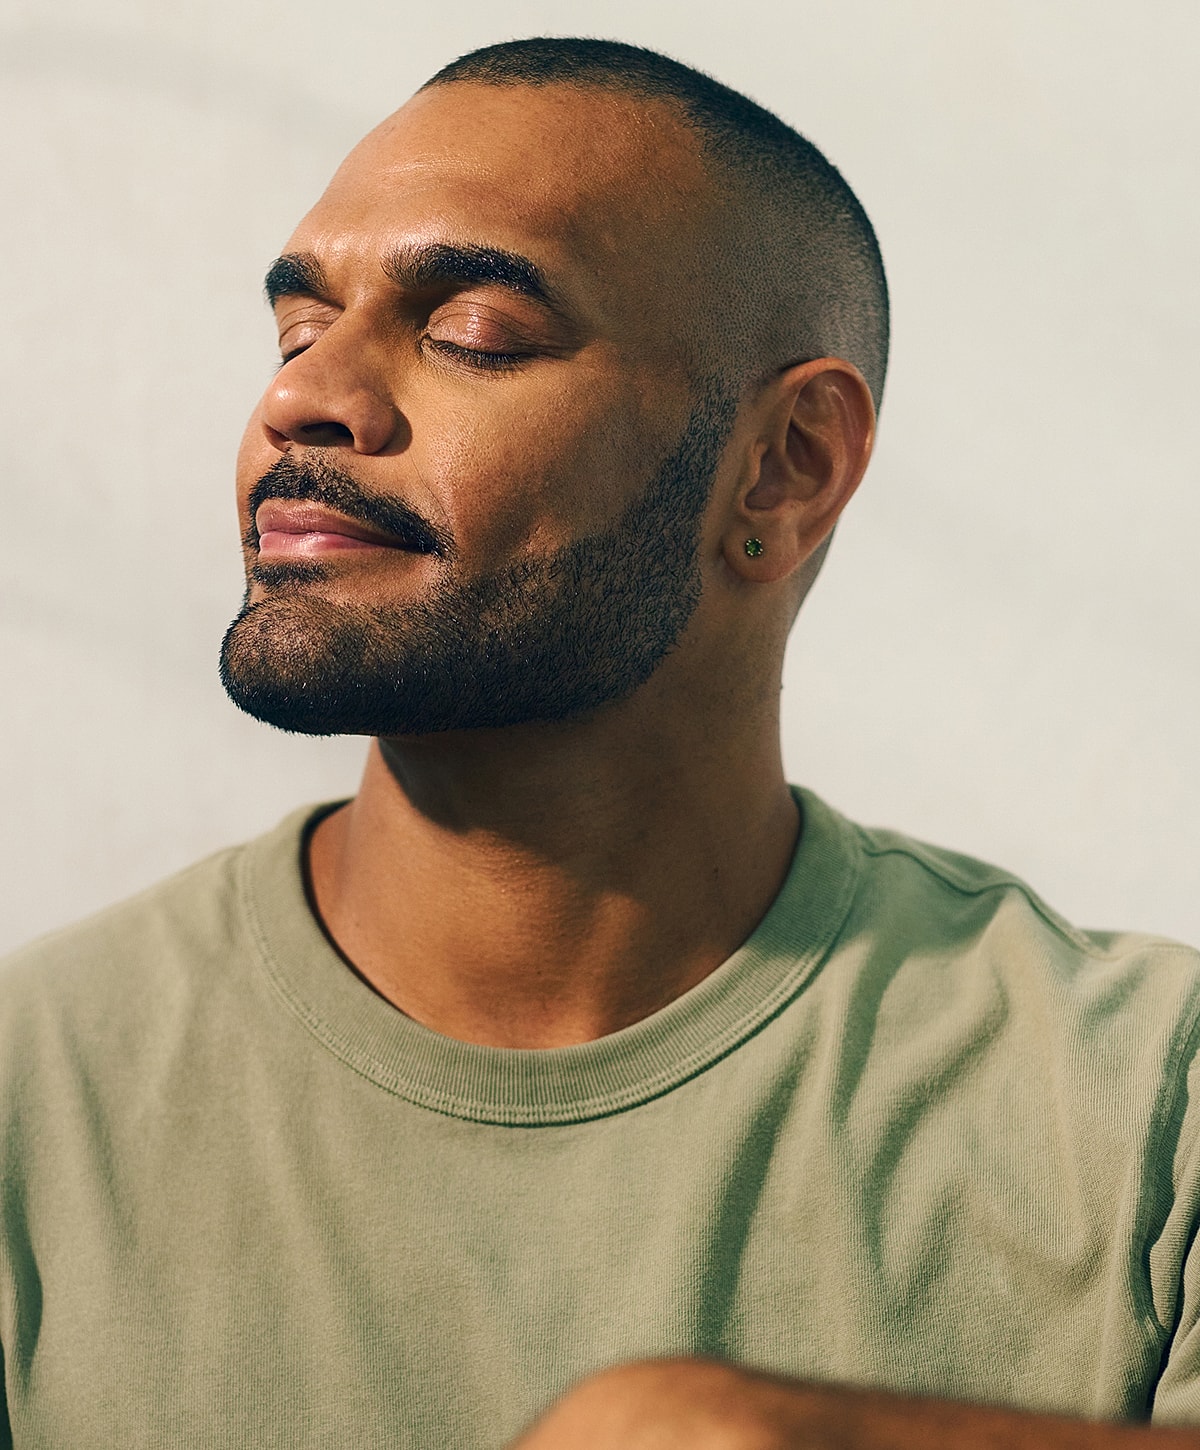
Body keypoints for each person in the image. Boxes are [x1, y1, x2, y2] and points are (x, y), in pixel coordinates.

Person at [1, 36, 1198, 1450]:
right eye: (297, 330)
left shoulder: (1147, 1103)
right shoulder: (34, 1098)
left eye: (475, 332)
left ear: (788, 464)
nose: (300, 400)